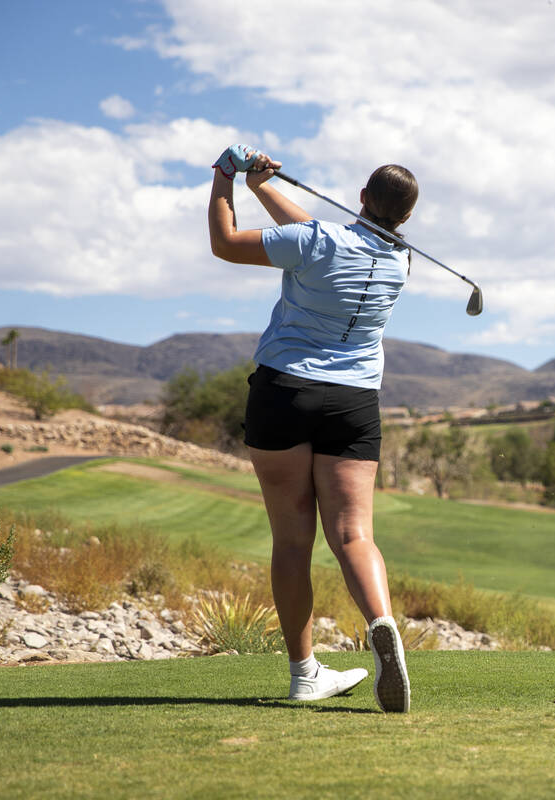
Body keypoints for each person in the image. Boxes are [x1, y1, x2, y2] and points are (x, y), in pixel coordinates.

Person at [207, 144, 415, 713]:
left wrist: (226, 177)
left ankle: (305, 673)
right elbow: (319, 238)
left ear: (363, 198)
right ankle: (380, 623)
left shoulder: (316, 243)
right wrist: (261, 186)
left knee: (293, 542)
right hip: (353, 403)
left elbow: (227, 244)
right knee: (354, 536)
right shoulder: (401, 261)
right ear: (406, 218)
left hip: (285, 392)